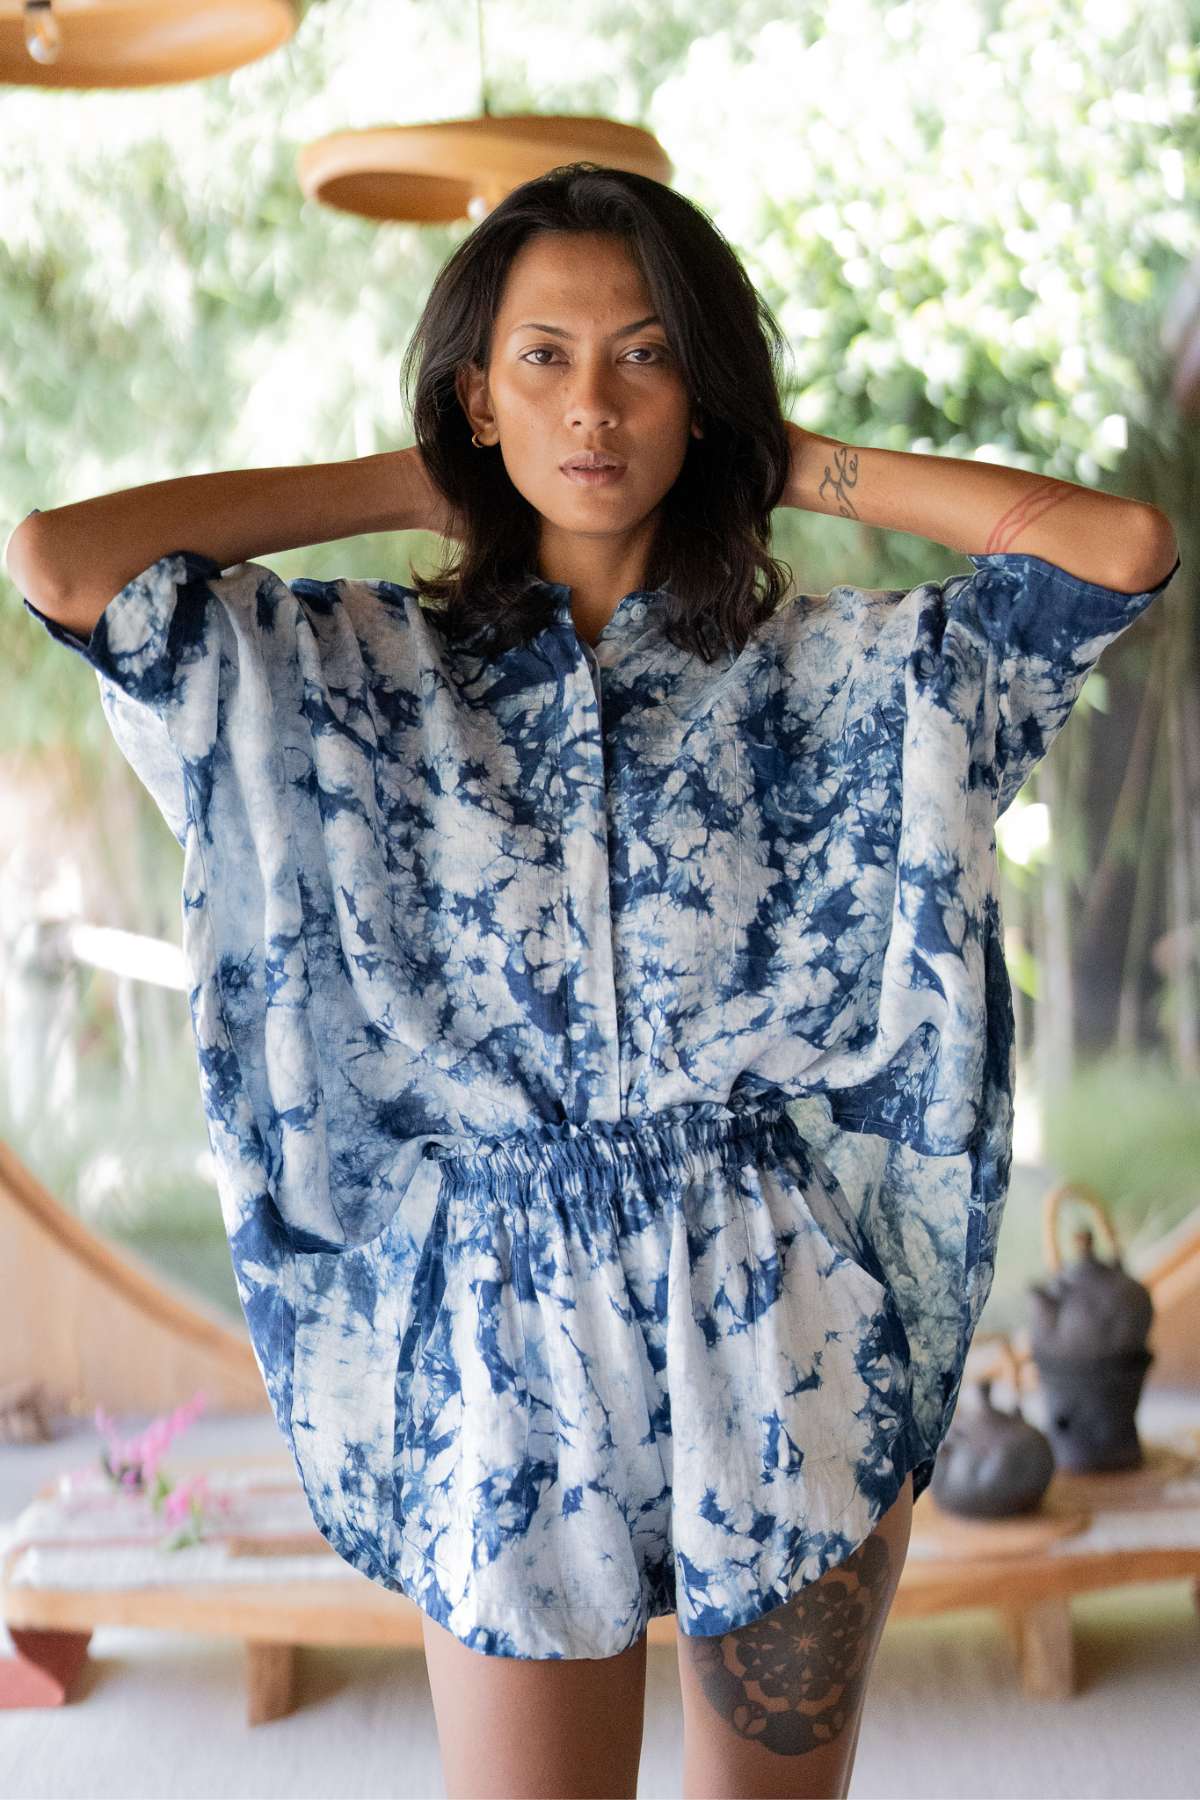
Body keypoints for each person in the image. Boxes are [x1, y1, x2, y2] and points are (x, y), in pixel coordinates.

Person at [7, 162, 1179, 1799]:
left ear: (703, 392)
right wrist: (417, 478)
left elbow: (1118, 547)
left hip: (780, 1322)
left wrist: (794, 463)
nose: (596, 405)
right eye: (541, 358)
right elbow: (64, 563)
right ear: (475, 392)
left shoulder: (833, 671)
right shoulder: (356, 670)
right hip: (507, 1338)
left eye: (646, 354)